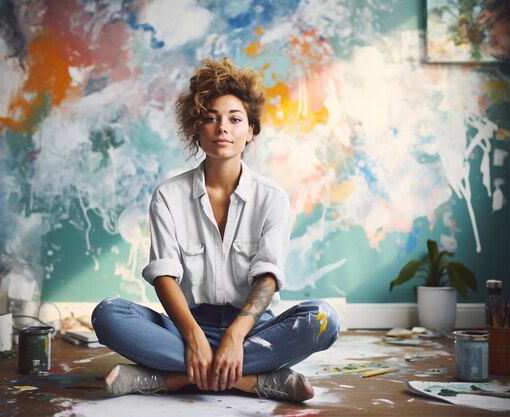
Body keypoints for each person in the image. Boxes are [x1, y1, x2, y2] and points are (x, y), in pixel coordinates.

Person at [92, 57, 340, 402]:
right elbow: (164, 277)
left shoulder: (273, 199)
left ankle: (169, 379)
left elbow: (267, 278)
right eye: (211, 118)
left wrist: (235, 338)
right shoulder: (168, 195)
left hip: (253, 330)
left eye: (235, 119)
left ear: (251, 131)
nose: (223, 127)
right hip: (185, 327)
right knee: (108, 314)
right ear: (197, 129)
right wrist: (193, 339)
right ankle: (256, 381)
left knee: (324, 318)